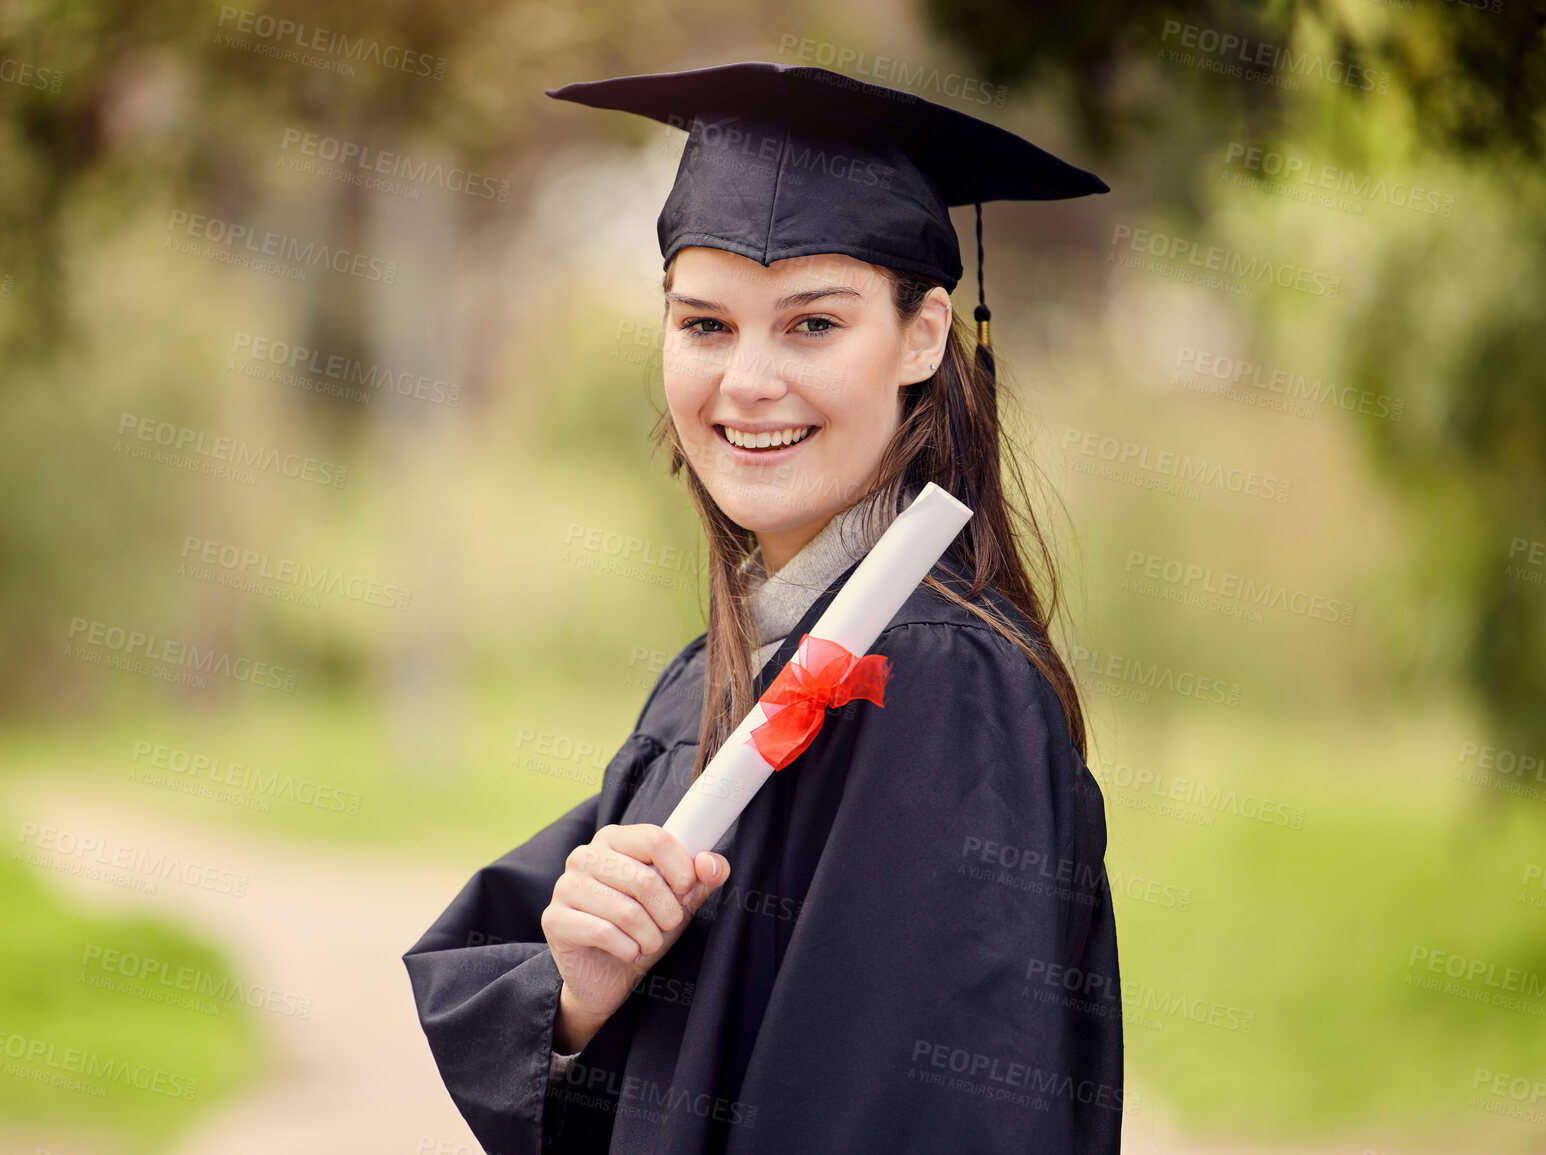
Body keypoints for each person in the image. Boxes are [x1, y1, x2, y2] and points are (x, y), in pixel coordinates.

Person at [403, 61, 1123, 1154]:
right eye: (705, 325)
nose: (746, 381)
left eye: (812, 326)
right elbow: (525, 994)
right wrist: (581, 995)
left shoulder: (933, 683)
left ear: (923, 337)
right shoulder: (726, 670)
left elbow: (929, 1115)